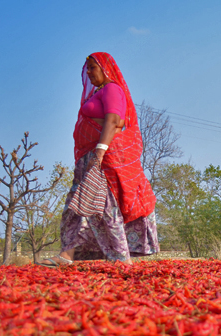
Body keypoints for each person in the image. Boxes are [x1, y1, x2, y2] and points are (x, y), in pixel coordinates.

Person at [38, 52, 159, 267]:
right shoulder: (99, 92)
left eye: (92, 67)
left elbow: (114, 120)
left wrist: (101, 151)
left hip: (102, 161)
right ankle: (70, 256)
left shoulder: (112, 89)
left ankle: (118, 259)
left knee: (97, 207)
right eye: (87, 69)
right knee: (81, 206)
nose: (89, 73)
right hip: (92, 159)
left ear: (105, 68)